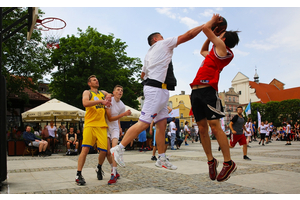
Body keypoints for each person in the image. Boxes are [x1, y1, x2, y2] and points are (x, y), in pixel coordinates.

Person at [111, 21, 207, 171]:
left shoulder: (149, 54)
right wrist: (204, 26)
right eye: (161, 36)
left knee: (161, 125)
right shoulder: (162, 44)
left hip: (161, 90)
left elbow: (143, 74)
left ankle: (161, 158)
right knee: (143, 122)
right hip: (155, 89)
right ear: (156, 39)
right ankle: (119, 148)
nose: (164, 38)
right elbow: (187, 35)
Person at [189, 14, 240, 182]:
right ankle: (211, 160)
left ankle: (228, 162)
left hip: (208, 91)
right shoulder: (214, 52)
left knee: (215, 127)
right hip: (195, 92)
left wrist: (212, 22)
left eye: (220, 36)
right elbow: (202, 51)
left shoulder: (223, 49)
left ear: (223, 37)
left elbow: (205, 29)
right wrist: (211, 39)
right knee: (202, 129)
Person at [75, 75, 112, 186]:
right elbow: (85, 103)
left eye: (97, 79)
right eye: (94, 80)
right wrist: (101, 101)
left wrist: (109, 97)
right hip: (90, 125)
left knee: (104, 151)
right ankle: (78, 174)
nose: (97, 80)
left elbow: (109, 94)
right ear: (89, 83)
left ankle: (99, 167)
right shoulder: (87, 92)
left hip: (101, 125)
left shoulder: (102, 92)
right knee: (85, 150)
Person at [104, 85, 131, 185]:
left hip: (114, 128)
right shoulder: (109, 100)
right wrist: (107, 94)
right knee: (107, 152)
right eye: (118, 90)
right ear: (114, 92)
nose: (120, 92)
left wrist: (119, 127)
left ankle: (113, 174)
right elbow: (110, 118)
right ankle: (113, 169)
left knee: (114, 150)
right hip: (106, 127)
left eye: (122, 90)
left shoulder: (122, 105)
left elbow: (117, 118)